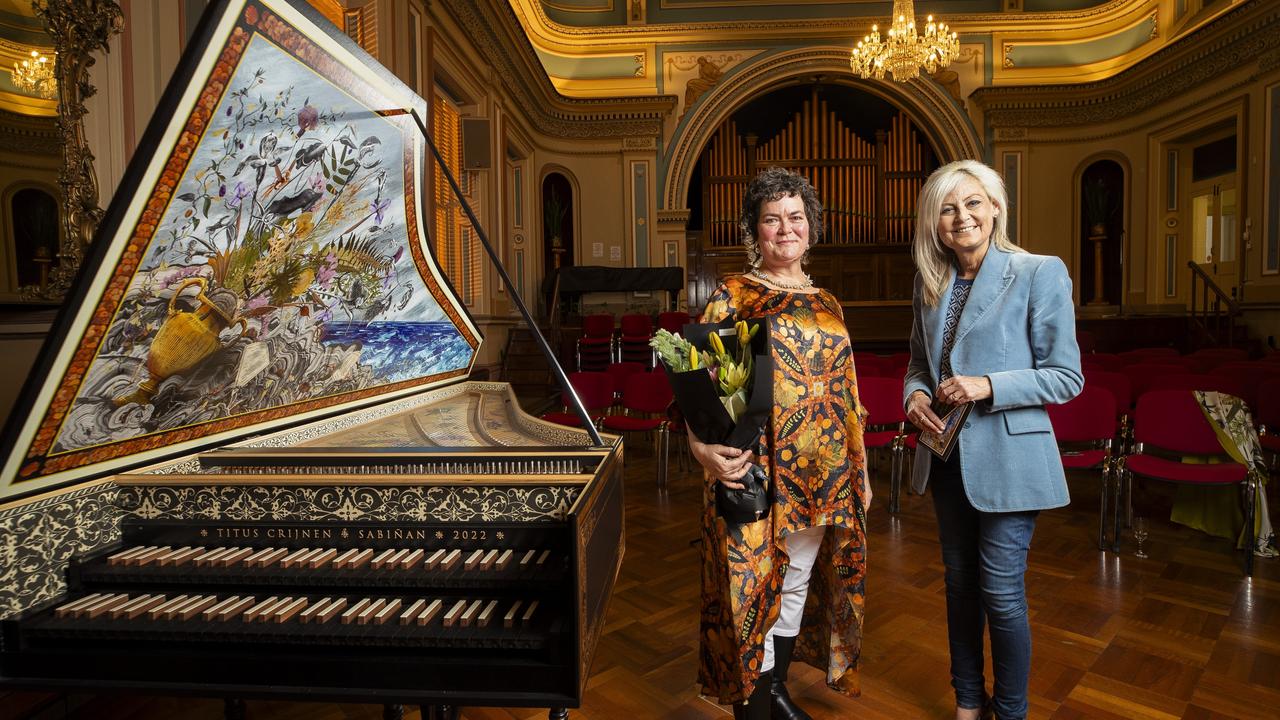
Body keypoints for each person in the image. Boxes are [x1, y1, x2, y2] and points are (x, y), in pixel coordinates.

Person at [685, 166, 871, 720]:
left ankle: (776, 691)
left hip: (827, 475)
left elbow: (850, 393)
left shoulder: (830, 303)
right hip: (756, 471)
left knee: (795, 584)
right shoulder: (733, 296)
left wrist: (859, 472)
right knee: (751, 590)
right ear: (754, 232)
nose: (785, 229)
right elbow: (697, 386)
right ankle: (752, 705)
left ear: (811, 227)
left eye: (795, 218)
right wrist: (700, 451)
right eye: (771, 220)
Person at [903, 159, 1083, 720]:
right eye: (948, 209)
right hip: (946, 456)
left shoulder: (1038, 271)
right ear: (935, 223)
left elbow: (1067, 377)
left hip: (1008, 455)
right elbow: (917, 367)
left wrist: (988, 385)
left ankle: (1011, 711)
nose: (963, 218)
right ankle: (967, 701)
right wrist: (913, 398)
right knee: (959, 586)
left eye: (973, 203)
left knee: (1001, 595)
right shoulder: (930, 283)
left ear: (997, 206)